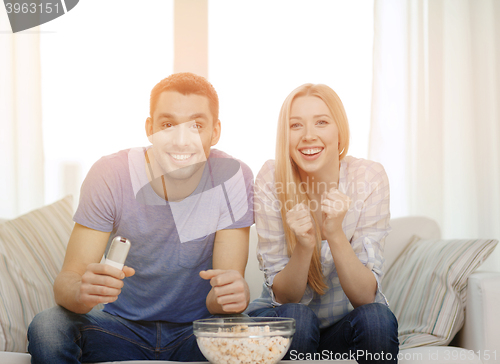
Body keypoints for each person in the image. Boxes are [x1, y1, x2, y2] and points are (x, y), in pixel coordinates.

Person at [27, 72, 254, 363]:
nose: (181, 141)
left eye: (196, 126)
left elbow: (218, 299)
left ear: (215, 131)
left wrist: (232, 295)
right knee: (48, 326)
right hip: (119, 328)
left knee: (246, 331)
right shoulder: (110, 173)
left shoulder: (233, 178)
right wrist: (82, 292)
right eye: (168, 124)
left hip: (197, 333)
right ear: (150, 128)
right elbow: (66, 282)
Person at [246, 83, 399, 363]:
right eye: (295, 126)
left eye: (321, 122)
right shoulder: (271, 178)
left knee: (377, 317)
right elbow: (285, 296)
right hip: (285, 317)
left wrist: (335, 233)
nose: (308, 136)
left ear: (339, 130)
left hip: (341, 329)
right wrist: (304, 245)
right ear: (285, 135)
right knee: (298, 318)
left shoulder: (368, 178)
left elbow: (366, 296)